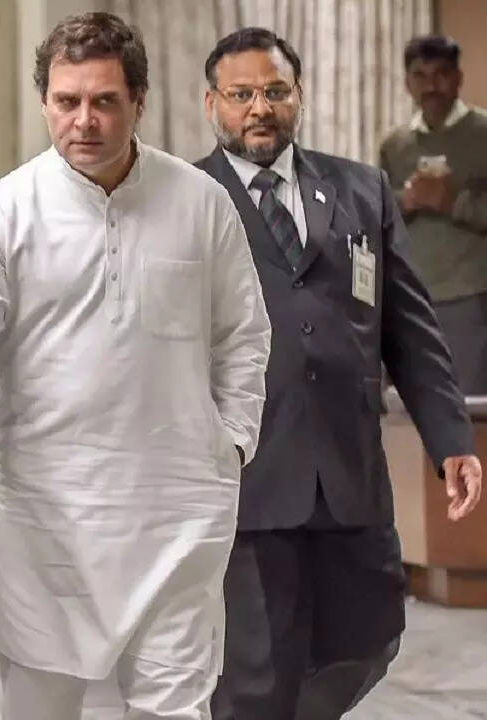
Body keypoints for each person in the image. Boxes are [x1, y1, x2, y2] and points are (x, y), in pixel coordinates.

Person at [0, 12, 270, 720]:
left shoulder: (202, 205)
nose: (84, 120)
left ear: (139, 102)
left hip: (178, 510)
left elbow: (243, 335)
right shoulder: (3, 212)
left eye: (105, 101)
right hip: (45, 514)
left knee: (175, 708)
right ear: (44, 102)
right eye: (67, 101)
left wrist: (230, 445)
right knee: (40, 705)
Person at [196, 28, 483, 720]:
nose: (259, 108)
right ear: (212, 104)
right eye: (241, 94)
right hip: (247, 479)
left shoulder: (362, 188)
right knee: (256, 673)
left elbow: (410, 330)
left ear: (300, 96)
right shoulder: (187, 198)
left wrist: (451, 440)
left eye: (275, 91)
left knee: (370, 637)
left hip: (349, 474)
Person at [380, 35, 487, 394]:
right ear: (407, 83)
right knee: (417, 409)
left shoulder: (483, 133)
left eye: (441, 74)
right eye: (420, 76)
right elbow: (376, 212)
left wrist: (454, 203)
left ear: (458, 78)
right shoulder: (394, 145)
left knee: (469, 408)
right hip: (411, 298)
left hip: (471, 298)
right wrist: (406, 200)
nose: (431, 86)